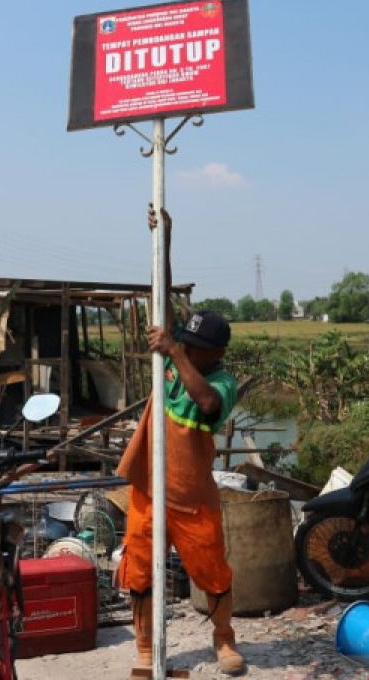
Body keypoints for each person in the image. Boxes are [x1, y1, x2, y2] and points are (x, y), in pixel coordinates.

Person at [116, 205, 244, 676]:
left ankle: (224, 639)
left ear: (215, 353)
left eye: (193, 347)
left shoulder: (221, 381)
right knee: (139, 570)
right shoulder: (171, 358)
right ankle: (146, 648)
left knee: (212, 571)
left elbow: (207, 402)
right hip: (150, 490)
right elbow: (162, 297)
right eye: (183, 343)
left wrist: (174, 351)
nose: (184, 347)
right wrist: (164, 240)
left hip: (193, 498)